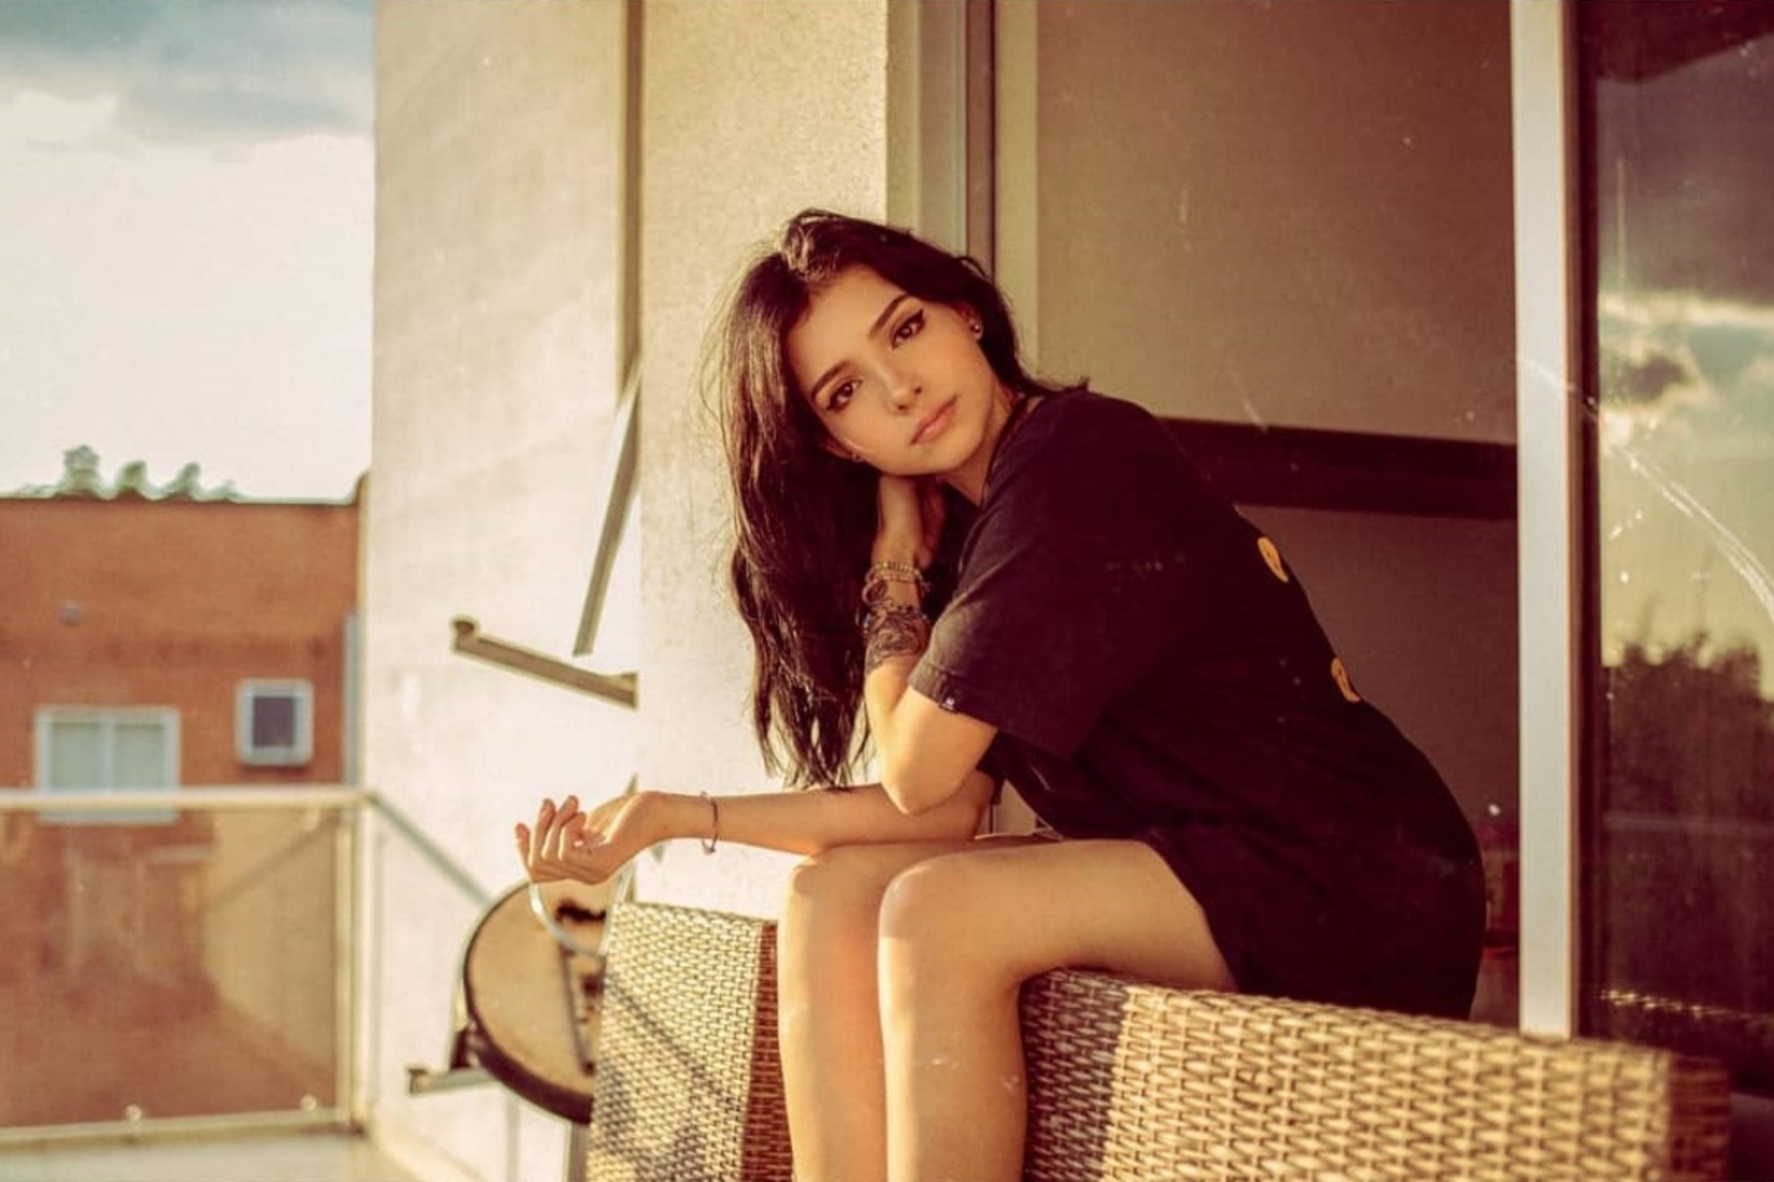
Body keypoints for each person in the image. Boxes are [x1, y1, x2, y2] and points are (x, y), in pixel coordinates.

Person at [516, 209, 1485, 1182]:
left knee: (939, 909)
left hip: (1353, 872)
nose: (900, 388)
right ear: (838, 444)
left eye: (905, 329)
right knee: (831, 891)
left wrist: (894, 573)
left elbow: (916, 772)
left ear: (965, 314)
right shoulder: (981, 531)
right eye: (847, 390)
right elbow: (943, 808)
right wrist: (672, 816)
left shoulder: (1074, 458)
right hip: (1216, 859)